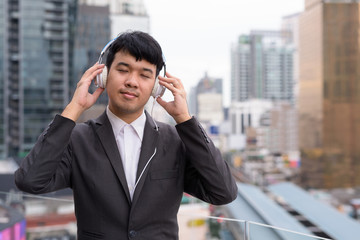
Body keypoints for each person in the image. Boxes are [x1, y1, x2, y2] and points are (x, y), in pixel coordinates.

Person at [15, 31, 237, 240]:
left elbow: (223, 192)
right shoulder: (78, 139)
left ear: (156, 87)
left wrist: (186, 121)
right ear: (104, 75)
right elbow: (30, 181)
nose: (132, 81)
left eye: (144, 74)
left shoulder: (174, 140)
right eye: (123, 70)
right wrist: (75, 108)